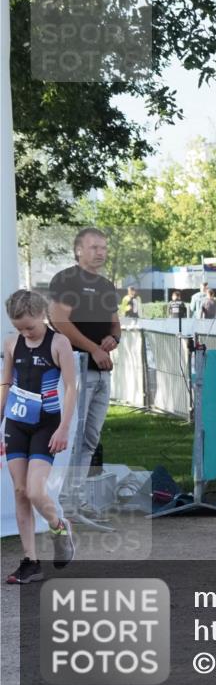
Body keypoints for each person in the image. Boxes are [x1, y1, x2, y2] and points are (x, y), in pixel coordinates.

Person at [2, 290, 78, 583]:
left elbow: (72, 388)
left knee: (35, 490)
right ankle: (30, 561)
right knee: (20, 491)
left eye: (29, 327)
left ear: (42, 316)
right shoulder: (11, 343)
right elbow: (6, 383)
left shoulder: (59, 343)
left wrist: (63, 428)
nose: (25, 333)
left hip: (47, 425)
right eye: (19, 328)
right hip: (16, 424)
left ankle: (59, 527)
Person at [49, 227, 120, 485]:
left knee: (91, 437)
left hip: (102, 371)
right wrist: (93, 349)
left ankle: (76, 494)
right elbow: (59, 320)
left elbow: (115, 323)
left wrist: (114, 339)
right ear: (79, 250)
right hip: (76, 370)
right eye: (94, 247)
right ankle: (59, 494)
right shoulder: (67, 279)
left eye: (103, 248)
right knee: (72, 434)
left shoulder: (106, 285)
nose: (100, 252)